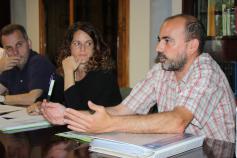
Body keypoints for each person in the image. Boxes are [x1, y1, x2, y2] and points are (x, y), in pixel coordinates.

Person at [45, 14, 236, 143]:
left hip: (212, 153)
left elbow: (177, 122)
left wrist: (110, 123)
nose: (158, 48)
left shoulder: (206, 71)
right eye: (159, 40)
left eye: (167, 41)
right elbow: (122, 110)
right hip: (177, 150)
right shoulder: (161, 70)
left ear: (192, 46)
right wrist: (70, 116)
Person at [40, 22, 122, 124]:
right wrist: (42, 106)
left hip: (108, 132)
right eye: (77, 43)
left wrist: (69, 73)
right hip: (76, 132)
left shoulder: (104, 75)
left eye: (88, 43)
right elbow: (53, 100)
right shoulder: (62, 73)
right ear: (69, 47)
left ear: (95, 48)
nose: (83, 49)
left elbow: (78, 114)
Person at [0, 24, 55, 106]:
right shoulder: (10, 66)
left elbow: (32, 99)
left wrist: (2, 98)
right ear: (5, 51)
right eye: (9, 48)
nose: (15, 52)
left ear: (29, 43)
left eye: (19, 45)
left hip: (47, 117)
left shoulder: (39, 61)